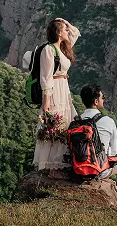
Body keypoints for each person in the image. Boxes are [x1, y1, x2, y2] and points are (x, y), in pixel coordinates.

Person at [33, 18, 80, 178]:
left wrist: (66, 22)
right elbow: (45, 77)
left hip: (63, 90)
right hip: (54, 92)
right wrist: (46, 101)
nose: (67, 31)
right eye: (64, 30)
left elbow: (75, 33)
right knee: (54, 125)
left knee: (64, 125)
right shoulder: (49, 50)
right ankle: (51, 166)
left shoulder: (61, 48)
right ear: (59, 33)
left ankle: (60, 163)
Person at [80, 84, 117, 206]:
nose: (104, 99)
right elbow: (113, 152)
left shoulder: (76, 121)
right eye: (103, 97)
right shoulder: (108, 121)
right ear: (96, 101)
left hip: (79, 169)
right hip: (99, 170)